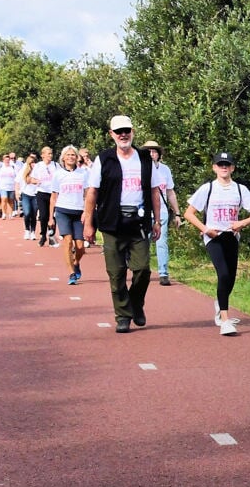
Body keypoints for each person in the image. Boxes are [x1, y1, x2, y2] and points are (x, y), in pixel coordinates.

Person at [83, 115, 166, 333]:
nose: (123, 135)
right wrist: (88, 222)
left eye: (126, 130)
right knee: (116, 272)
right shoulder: (104, 159)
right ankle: (122, 315)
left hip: (139, 222)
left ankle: (135, 305)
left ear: (132, 131)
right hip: (112, 222)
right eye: (118, 131)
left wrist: (157, 221)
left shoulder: (145, 159)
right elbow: (93, 192)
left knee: (142, 269)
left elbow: (154, 191)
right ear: (111, 134)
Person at [184, 151, 250, 335]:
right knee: (224, 274)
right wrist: (205, 229)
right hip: (213, 237)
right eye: (220, 164)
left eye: (227, 165)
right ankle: (225, 320)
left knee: (231, 279)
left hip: (231, 236)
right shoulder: (207, 188)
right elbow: (189, 213)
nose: (224, 168)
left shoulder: (240, 189)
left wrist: (242, 223)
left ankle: (220, 305)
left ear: (233, 168)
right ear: (214, 168)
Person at [141, 140, 181, 285]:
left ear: (159, 154)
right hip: (144, 212)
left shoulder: (165, 170)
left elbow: (170, 192)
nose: (151, 154)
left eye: (154, 151)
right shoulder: (140, 168)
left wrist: (177, 213)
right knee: (142, 243)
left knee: (162, 242)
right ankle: (142, 270)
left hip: (162, 211)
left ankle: (163, 273)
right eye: (148, 151)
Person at [50, 146, 90, 283]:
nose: (71, 157)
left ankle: (76, 262)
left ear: (77, 157)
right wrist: (51, 217)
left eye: (73, 155)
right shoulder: (58, 174)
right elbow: (54, 196)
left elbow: (87, 195)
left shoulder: (83, 173)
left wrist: (86, 212)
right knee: (67, 242)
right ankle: (71, 273)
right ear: (63, 157)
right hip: (62, 211)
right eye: (68, 155)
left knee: (80, 247)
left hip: (78, 212)